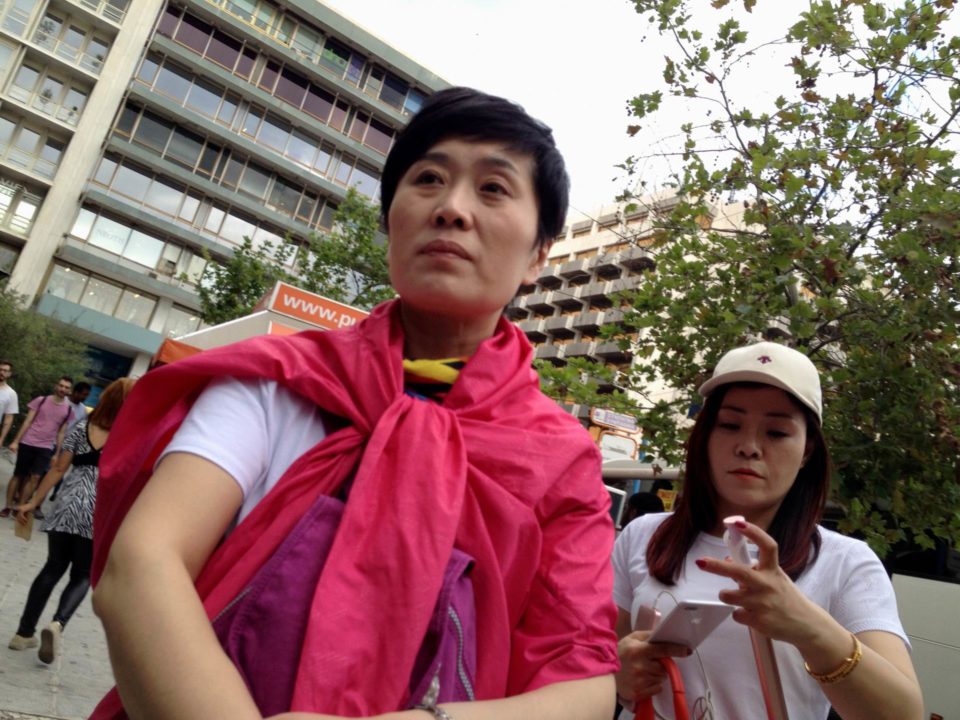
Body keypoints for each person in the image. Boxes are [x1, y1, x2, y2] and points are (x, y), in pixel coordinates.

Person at [90, 87, 618, 720]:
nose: (452, 209)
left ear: (538, 255)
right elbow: (143, 563)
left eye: (493, 189)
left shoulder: (562, 461)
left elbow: (584, 683)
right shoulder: (282, 379)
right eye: (429, 179)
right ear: (389, 223)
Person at [612, 342, 922, 720]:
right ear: (705, 437)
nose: (748, 447)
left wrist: (810, 627)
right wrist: (617, 675)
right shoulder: (641, 536)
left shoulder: (847, 562)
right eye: (729, 425)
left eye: (776, 432)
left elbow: (904, 713)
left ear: (807, 451)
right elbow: (594, 662)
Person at [7, 378, 135, 664]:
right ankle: (58, 623)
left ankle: (23, 633)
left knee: (52, 568)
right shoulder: (132, 436)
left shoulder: (82, 427)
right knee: (82, 575)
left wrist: (33, 502)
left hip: (67, 504)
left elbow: (57, 470)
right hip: (98, 511)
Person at [2, 377, 73, 518]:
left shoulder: (68, 410)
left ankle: (20, 507)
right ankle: (8, 506)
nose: (62, 389)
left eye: (66, 387)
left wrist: (57, 454)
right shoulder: (41, 400)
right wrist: (16, 441)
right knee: (19, 475)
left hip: (46, 447)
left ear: (69, 390)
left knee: (35, 477)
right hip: (28, 442)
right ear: (56, 386)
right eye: (61, 385)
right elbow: (28, 421)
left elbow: (61, 433)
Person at [0, 360, 17, 449]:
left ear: (9, 374)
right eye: (0, 369)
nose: (2, 372)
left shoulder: (11, 393)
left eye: (5, 371)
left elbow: (8, 418)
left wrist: (1, 439)